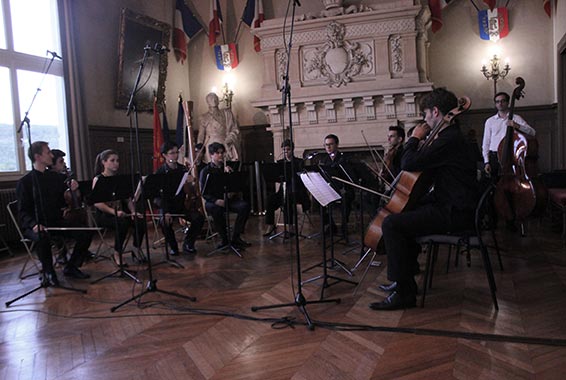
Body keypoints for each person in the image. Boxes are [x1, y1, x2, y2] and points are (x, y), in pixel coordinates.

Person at [369, 88, 479, 311]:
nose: (425, 120)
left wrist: (414, 138)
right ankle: (406, 280)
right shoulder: (451, 137)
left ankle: (404, 293)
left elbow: (408, 163)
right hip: (452, 204)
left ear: (435, 112)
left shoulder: (449, 140)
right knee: (405, 213)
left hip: (454, 212)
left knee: (392, 223)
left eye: (426, 115)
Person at [16, 141, 92, 285]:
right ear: (38, 157)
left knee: (85, 232)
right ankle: (48, 272)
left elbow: (70, 189)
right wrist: (34, 224)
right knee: (42, 236)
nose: (51, 155)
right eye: (48, 152)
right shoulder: (25, 182)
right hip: (34, 225)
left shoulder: (56, 178)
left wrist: (74, 185)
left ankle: (71, 266)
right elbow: (23, 212)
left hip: (55, 221)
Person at [92, 149, 147, 266]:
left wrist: (133, 211)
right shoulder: (98, 179)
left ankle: (136, 248)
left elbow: (127, 199)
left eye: (117, 160)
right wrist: (114, 212)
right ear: (104, 162)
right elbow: (97, 203)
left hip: (120, 212)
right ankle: (117, 253)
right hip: (105, 215)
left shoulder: (120, 179)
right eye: (112, 160)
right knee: (122, 224)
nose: (116, 163)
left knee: (140, 221)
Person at [154, 141, 205, 255]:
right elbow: (156, 197)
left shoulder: (183, 169)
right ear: (164, 155)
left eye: (177, 152)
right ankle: (173, 246)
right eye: (172, 153)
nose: (175, 155)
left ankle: (188, 243)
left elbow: (190, 188)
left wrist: (192, 181)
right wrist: (165, 211)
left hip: (181, 204)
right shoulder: (160, 172)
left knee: (199, 218)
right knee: (164, 221)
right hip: (167, 205)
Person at [199, 142, 251, 249]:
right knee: (216, 209)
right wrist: (216, 200)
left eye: (222, 153)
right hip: (214, 201)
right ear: (211, 155)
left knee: (244, 206)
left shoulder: (228, 168)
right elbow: (204, 193)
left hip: (228, 199)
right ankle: (224, 239)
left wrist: (230, 176)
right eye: (217, 153)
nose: (220, 155)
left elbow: (236, 186)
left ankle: (236, 237)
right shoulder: (205, 171)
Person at [482, 91, 536, 178]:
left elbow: (532, 132)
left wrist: (517, 125)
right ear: (495, 104)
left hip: (511, 156)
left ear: (508, 103)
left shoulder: (516, 118)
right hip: (494, 157)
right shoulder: (490, 121)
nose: (500, 104)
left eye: (503, 101)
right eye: (497, 101)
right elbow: (486, 143)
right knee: (495, 183)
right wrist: (486, 162)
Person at [263, 139, 311, 237]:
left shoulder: (299, 162)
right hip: (283, 191)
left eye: (288, 150)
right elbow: (277, 178)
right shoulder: (280, 163)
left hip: (297, 192)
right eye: (284, 150)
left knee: (288, 199)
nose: (286, 152)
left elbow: (303, 179)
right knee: (270, 199)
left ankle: (291, 227)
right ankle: (271, 225)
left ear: (292, 150)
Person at [319, 134, 356, 237]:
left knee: (346, 199)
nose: (328, 147)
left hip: (344, 190)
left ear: (337, 145)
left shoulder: (344, 159)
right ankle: (331, 225)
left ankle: (344, 225)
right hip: (330, 190)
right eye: (326, 145)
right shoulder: (324, 161)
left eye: (331, 144)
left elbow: (350, 178)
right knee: (319, 199)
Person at [197, 92, 240, 164]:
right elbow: (201, 136)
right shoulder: (204, 117)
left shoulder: (226, 114)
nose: (213, 100)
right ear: (207, 102)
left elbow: (234, 129)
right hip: (210, 145)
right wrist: (199, 150)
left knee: (226, 164)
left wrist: (229, 138)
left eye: (215, 98)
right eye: (211, 98)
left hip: (225, 142)